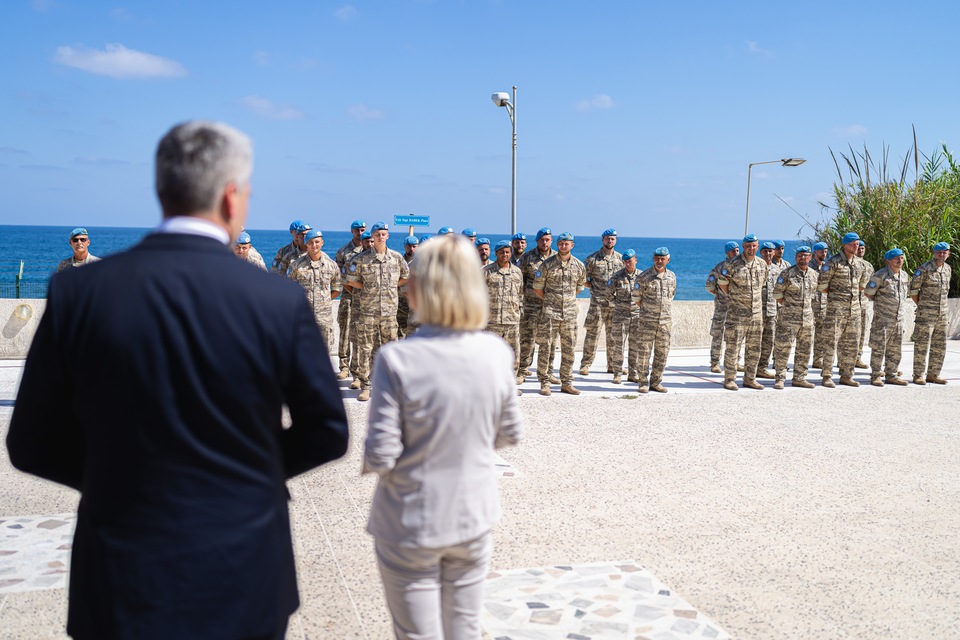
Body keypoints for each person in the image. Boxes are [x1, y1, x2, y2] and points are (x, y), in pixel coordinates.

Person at [7, 120, 349, 640]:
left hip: (121, 568)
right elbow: (327, 431)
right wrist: (242, 476)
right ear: (232, 197)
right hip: (244, 568)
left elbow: (30, 441)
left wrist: (119, 478)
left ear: (161, 188)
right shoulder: (277, 299)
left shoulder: (79, 291)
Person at [363, 235, 522, 640]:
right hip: (473, 515)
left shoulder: (396, 359)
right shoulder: (497, 352)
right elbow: (510, 433)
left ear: (421, 288)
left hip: (410, 521)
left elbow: (381, 454)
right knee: (464, 629)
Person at [344, 222, 410, 402]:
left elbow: (405, 276)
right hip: (368, 311)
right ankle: (366, 386)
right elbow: (351, 280)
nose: (381, 237)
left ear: (388, 236)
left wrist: (390, 286)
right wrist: (369, 288)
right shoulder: (361, 259)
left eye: (383, 234)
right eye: (377, 234)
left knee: (390, 348)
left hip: (389, 312)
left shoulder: (396, 258)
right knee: (366, 348)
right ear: (372, 236)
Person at [533, 232, 585, 396]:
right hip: (550, 314)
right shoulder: (547, 265)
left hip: (569, 314)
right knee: (546, 348)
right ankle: (545, 382)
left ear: (572, 245)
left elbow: (579, 287)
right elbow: (537, 288)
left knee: (569, 349)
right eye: (561, 243)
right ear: (557, 245)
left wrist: (566, 300)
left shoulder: (579, 266)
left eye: (566, 243)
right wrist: (551, 301)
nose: (564, 246)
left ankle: (567, 382)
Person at [818, 232, 871, 387]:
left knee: (852, 344)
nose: (856, 247)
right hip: (836, 311)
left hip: (854, 311)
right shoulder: (833, 262)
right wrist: (838, 296)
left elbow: (861, 285)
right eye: (853, 244)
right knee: (831, 343)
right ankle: (827, 376)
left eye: (857, 244)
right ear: (844, 245)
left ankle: (847, 375)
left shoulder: (860, 264)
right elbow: (822, 286)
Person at [718, 234, 768, 391]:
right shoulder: (732, 264)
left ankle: (750, 379)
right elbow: (722, 284)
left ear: (757, 247)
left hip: (756, 314)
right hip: (737, 314)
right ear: (743, 246)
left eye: (754, 245)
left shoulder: (762, 264)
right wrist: (736, 298)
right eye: (748, 246)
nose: (751, 248)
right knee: (733, 348)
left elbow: (762, 283)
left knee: (754, 348)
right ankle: (730, 379)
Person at [771, 246, 818, 389]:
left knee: (804, 350)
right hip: (788, 320)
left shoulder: (814, 275)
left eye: (806, 255)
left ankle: (799, 377)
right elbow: (777, 294)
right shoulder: (787, 273)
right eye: (800, 255)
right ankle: (780, 378)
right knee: (783, 349)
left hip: (807, 320)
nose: (803, 258)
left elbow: (813, 295)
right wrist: (790, 307)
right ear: (796, 257)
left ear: (810, 257)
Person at [517, 228, 559, 385]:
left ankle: (548, 372)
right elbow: (519, 280)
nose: (545, 242)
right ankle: (522, 371)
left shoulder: (557, 257)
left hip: (551, 307)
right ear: (537, 241)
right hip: (531, 307)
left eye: (547, 239)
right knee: (527, 340)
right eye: (542, 240)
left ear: (551, 240)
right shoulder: (527, 257)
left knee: (550, 342)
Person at [288, 228, 342, 351]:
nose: (314, 245)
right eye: (310, 242)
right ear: (306, 244)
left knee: (325, 353)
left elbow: (337, 289)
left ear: (322, 243)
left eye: (317, 242)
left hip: (324, 319)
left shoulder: (331, 265)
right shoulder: (296, 266)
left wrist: (324, 300)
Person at [579, 229, 623, 377]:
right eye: (607, 238)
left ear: (615, 240)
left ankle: (613, 365)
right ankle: (585, 365)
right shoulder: (592, 259)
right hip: (597, 304)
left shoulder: (620, 259)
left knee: (614, 336)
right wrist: (594, 288)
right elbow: (582, 278)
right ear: (602, 240)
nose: (610, 241)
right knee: (592, 334)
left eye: (612, 239)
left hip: (615, 304)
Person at [633, 247, 676, 393]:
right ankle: (642, 383)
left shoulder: (672, 277)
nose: (659, 261)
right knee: (644, 353)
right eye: (657, 258)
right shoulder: (644, 277)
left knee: (662, 353)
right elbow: (637, 298)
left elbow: (671, 295)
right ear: (653, 259)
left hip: (665, 323)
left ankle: (656, 382)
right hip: (647, 322)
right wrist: (649, 311)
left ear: (668, 260)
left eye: (662, 259)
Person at [864, 248, 910, 386]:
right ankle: (876, 375)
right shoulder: (880, 275)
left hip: (898, 319)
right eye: (896, 258)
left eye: (901, 258)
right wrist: (882, 306)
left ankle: (892, 375)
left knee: (895, 349)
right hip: (883, 320)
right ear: (888, 260)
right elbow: (869, 293)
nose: (899, 260)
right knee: (878, 348)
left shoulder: (904, 276)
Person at [910, 241, 952, 385]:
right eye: (938, 252)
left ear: (948, 254)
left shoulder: (948, 269)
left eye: (944, 252)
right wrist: (921, 305)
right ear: (933, 253)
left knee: (940, 345)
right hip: (926, 314)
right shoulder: (924, 269)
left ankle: (933, 374)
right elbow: (913, 290)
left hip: (942, 313)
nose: (941, 254)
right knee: (922, 345)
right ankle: (918, 375)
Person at [482, 240, 523, 383]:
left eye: (507, 252)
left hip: (512, 321)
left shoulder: (517, 272)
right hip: (492, 322)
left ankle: (510, 385)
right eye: (501, 252)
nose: (504, 254)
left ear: (511, 253)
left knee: (513, 355)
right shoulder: (486, 271)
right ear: (496, 253)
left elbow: (520, 294)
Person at [334, 220, 366, 380]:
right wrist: (351, 291)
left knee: (361, 333)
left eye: (362, 230)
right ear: (352, 231)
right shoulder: (343, 251)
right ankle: (344, 366)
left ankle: (358, 368)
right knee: (345, 330)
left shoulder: (370, 249)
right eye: (357, 230)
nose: (360, 233)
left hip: (366, 299)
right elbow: (338, 275)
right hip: (348, 297)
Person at [607, 249, 641, 384]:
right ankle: (617, 374)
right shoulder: (617, 276)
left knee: (635, 346)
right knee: (618, 345)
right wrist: (618, 305)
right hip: (620, 317)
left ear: (635, 260)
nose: (628, 264)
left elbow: (646, 294)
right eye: (625, 262)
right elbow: (608, 293)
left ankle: (633, 373)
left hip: (637, 316)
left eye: (630, 261)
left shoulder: (642, 276)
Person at [705, 241, 740, 374]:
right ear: (727, 253)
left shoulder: (742, 267)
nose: (736, 253)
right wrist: (722, 295)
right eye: (733, 251)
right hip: (722, 307)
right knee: (717, 335)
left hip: (737, 308)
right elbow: (710, 286)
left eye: (737, 251)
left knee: (737, 336)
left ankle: (735, 362)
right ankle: (715, 363)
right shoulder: (720, 267)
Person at [756, 241, 783, 378]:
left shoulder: (777, 270)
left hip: (772, 312)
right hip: (757, 312)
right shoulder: (755, 267)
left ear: (773, 253)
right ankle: (751, 368)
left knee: (769, 341)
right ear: (760, 252)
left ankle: (762, 368)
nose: (767, 253)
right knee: (754, 341)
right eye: (765, 251)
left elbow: (781, 290)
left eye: (770, 251)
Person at [810, 242, 830, 369]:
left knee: (821, 336)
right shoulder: (809, 266)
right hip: (811, 307)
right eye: (821, 251)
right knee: (806, 336)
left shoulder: (827, 267)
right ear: (815, 253)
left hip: (823, 306)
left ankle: (818, 360)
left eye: (826, 251)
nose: (824, 254)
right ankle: (802, 361)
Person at [855, 240, 874, 368]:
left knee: (862, 332)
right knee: (848, 334)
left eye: (862, 248)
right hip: (851, 304)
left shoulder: (869, 266)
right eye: (859, 248)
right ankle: (843, 359)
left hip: (864, 303)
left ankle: (858, 358)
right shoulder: (850, 264)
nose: (861, 250)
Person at [397, 236, 419, 338]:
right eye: (409, 246)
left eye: (414, 246)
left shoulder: (422, 261)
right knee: (400, 331)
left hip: (416, 302)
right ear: (405, 247)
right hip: (401, 302)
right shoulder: (399, 261)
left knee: (415, 332)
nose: (411, 249)